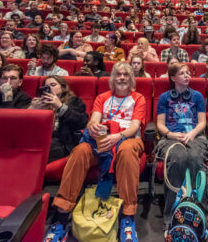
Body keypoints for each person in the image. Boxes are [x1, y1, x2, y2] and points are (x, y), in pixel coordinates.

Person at [45, 63, 146, 242]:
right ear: (112, 78)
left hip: (128, 139)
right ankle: (61, 216)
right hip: (102, 140)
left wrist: (118, 136)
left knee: (126, 151)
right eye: (118, 74)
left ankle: (128, 216)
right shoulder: (102, 97)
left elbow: (134, 126)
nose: (122, 78)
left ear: (131, 79)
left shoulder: (138, 98)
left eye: (126, 75)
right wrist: (93, 128)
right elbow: (93, 121)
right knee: (80, 151)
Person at [156, 63, 208, 234]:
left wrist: (192, 134)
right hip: (172, 137)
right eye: (182, 73)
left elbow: (202, 122)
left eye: (188, 73)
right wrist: (171, 134)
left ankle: (201, 213)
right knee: (178, 158)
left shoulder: (197, 96)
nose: (187, 75)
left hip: (195, 136)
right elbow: (160, 124)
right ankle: (171, 215)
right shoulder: (164, 97)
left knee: (195, 158)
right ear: (173, 78)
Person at [28, 75, 88, 162]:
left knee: (44, 148)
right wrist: (32, 110)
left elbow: (82, 122)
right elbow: (24, 126)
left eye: (53, 85)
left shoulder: (74, 101)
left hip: (61, 142)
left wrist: (60, 106)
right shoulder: (40, 102)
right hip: (39, 139)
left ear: (63, 88)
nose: (49, 88)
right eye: (46, 86)